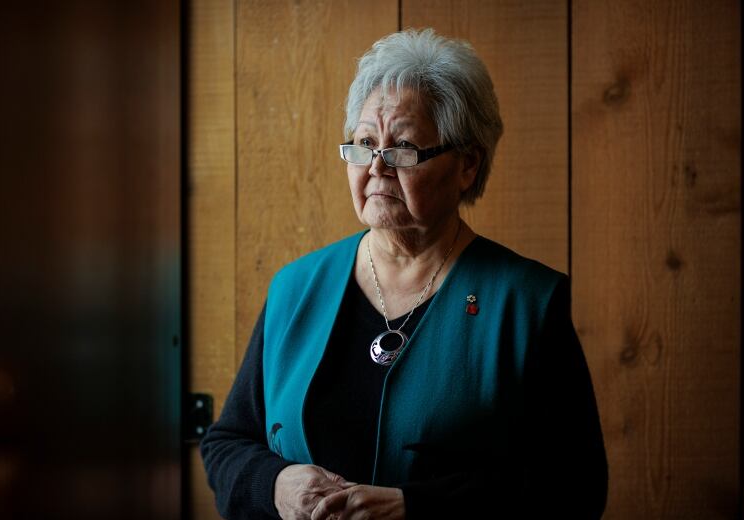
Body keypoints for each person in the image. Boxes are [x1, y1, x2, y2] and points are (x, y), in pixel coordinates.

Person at [201, 28, 608, 519]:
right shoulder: (295, 288)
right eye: (365, 143)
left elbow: (574, 486)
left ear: (467, 165)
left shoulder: (527, 303)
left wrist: (416, 508)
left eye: (404, 149)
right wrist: (275, 485)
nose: (376, 166)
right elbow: (227, 443)